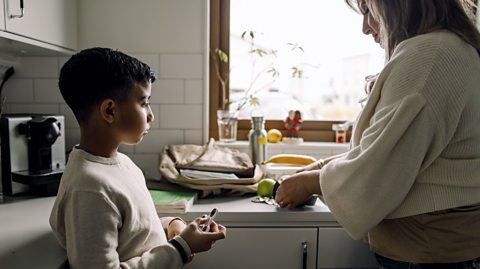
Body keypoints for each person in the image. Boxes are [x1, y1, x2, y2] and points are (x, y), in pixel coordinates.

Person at [275, 0, 480, 267]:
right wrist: (321, 167)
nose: (365, 27)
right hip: (441, 247)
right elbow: (394, 148)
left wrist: (309, 182)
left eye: (368, 11)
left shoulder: (429, 55)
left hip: (427, 252)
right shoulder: (450, 48)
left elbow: (380, 169)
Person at [49, 47, 226, 269]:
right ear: (109, 111)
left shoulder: (122, 164)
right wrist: (182, 248)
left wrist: (173, 226)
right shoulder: (89, 189)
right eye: (143, 103)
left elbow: (136, 232)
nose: (150, 115)